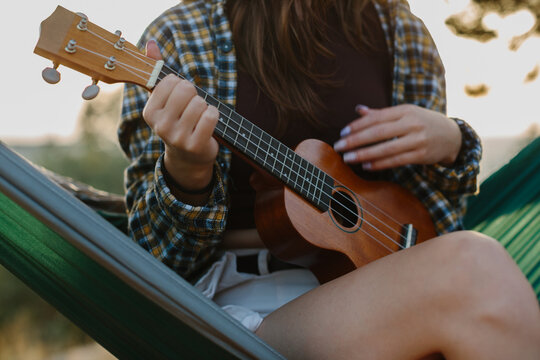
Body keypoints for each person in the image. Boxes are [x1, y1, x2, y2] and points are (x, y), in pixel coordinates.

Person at [119, 0, 540, 358]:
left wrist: (452, 144)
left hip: (386, 289)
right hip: (244, 312)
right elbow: (157, 261)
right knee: (473, 268)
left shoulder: (400, 31)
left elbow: (435, 227)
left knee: (472, 271)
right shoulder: (182, 35)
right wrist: (187, 172)